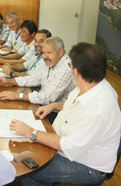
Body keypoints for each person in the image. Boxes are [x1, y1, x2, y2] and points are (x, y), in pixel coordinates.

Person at [10, 43, 121, 186]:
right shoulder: (90, 83)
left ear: (76, 72)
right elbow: (75, 108)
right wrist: (54, 106)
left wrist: (31, 132)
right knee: (28, 155)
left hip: (86, 165)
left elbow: (68, 146)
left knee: (30, 169)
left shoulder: (99, 108)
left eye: (70, 66)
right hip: (66, 144)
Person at [0, 37, 75, 105]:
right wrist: (9, 81)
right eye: (43, 52)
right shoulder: (53, 61)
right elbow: (35, 79)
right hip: (44, 104)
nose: (45, 56)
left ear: (60, 52)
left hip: (55, 113)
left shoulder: (66, 68)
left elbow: (48, 97)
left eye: (49, 52)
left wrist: (17, 96)